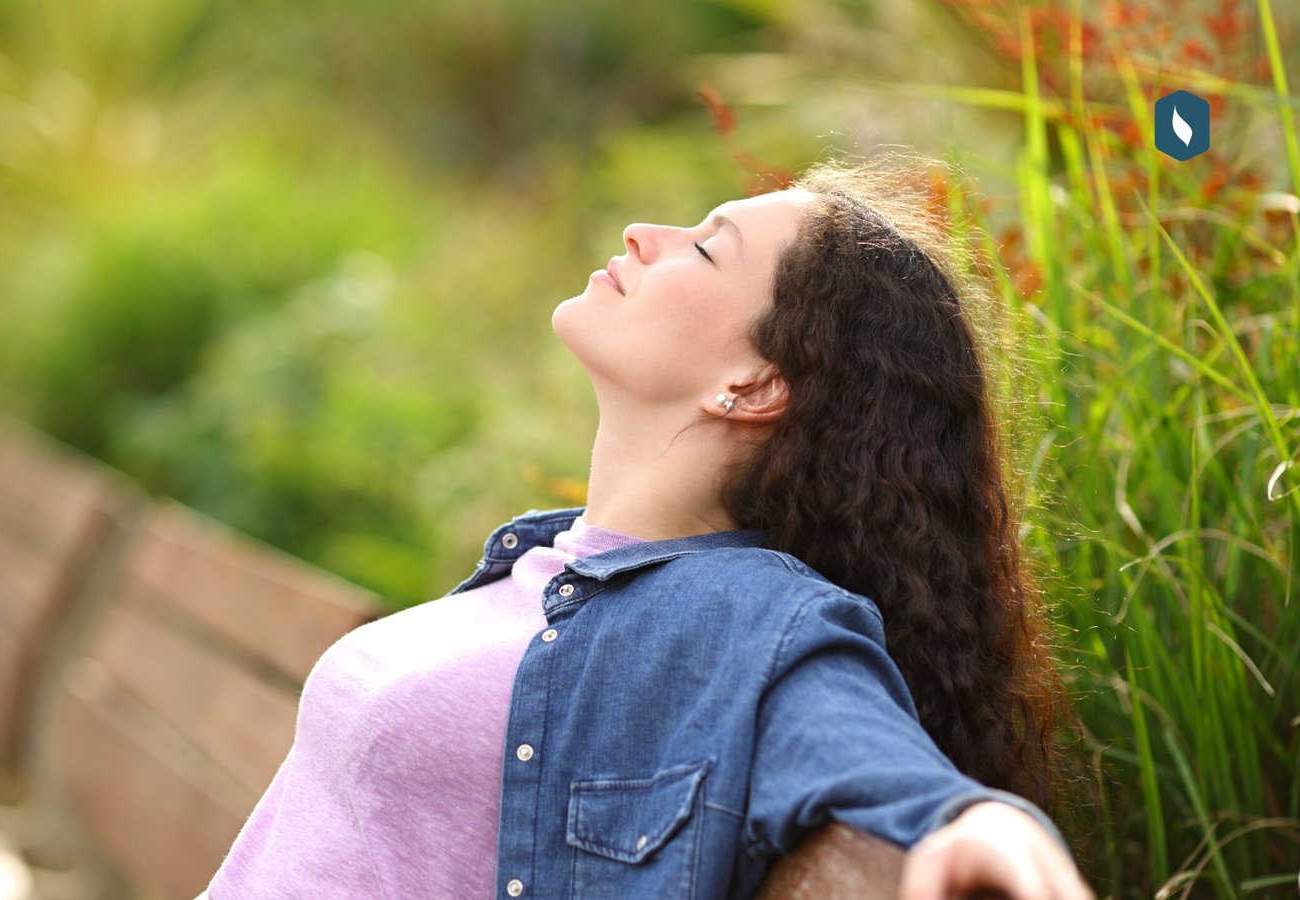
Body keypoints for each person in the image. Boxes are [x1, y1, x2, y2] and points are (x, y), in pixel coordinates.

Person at [200, 154, 1096, 900]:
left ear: (752, 386)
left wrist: (979, 824)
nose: (642, 234)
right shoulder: (540, 565)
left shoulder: (738, 619)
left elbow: (863, 758)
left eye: (706, 250)